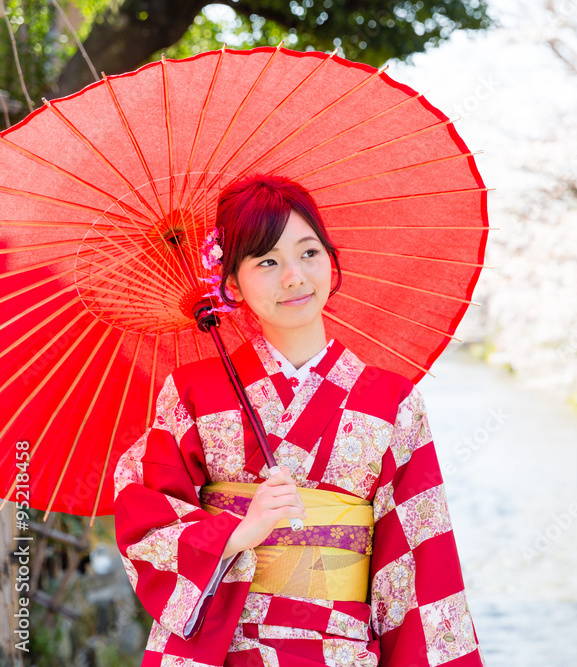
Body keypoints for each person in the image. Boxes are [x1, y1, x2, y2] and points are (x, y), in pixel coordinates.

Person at [113, 174, 487, 666]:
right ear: (231, 284)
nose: (293, 276)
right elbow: (143, 518)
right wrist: (234, 534)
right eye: (267, 261)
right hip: (225, 649)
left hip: (340, 649)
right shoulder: (192, 393)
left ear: (332, 262)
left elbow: (418, 560)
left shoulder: (393, 402)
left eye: (309, 253)